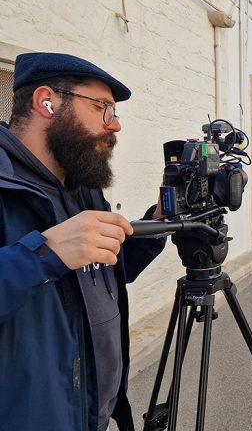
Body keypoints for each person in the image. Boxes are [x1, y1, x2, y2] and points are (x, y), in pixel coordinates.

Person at [0, 52, 166, 431]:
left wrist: (157, 224)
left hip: (91, 413)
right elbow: (50, 259)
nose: (116, 125)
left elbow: (103, 274)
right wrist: (43, 254)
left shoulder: (82, 189)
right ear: (47, 101)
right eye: (102, 108)